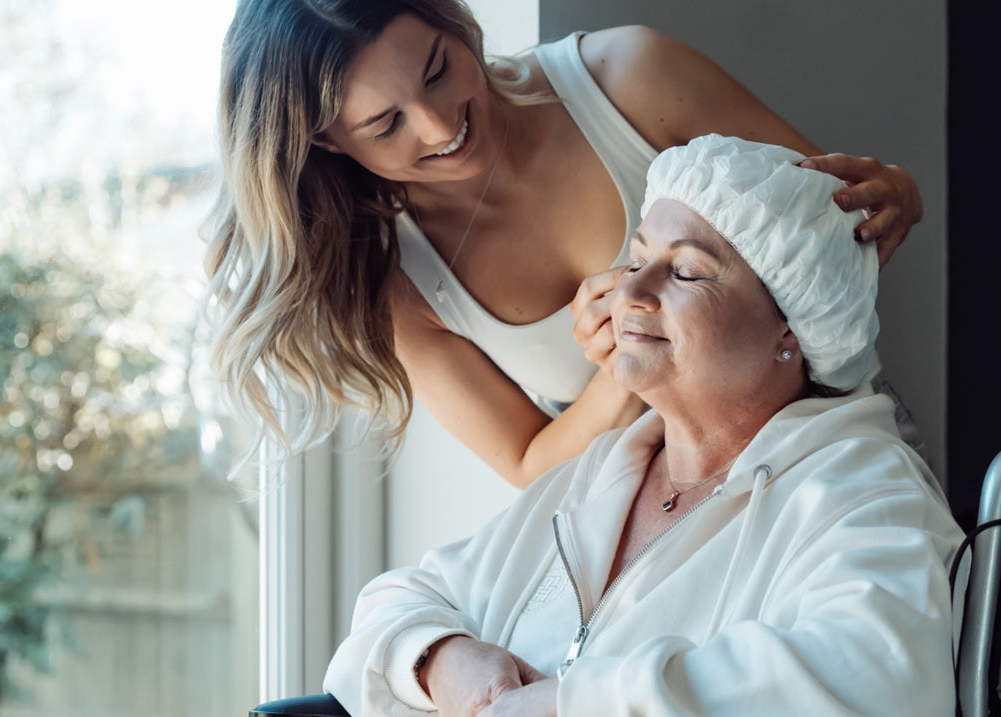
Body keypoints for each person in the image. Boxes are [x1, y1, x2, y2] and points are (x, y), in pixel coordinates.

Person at [322, 135, 961, 716]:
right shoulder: (599, 474)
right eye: (636, 261)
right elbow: (394, 604)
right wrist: (441, 658)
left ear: (790, 329)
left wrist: (570, 706)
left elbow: (881, 677)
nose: (631, 292)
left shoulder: (864, 491)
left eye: (684, 271)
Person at [205, 0, 925, 487]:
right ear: (325, 139)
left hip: (824, 455)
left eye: (437, 69)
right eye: (386, 124)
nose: (438, 126)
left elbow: (828, 246)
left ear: (452, 20)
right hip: (654, 523)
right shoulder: (393, 280)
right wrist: (627, 363)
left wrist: (899, 195)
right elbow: (527, 461)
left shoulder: (629, 79)